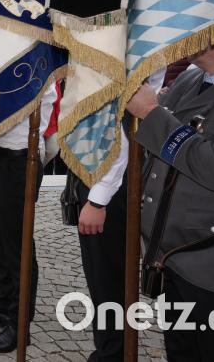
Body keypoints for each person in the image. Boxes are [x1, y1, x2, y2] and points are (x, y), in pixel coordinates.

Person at [125, 0, 214, 362]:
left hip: (209, 266)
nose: (185, 34)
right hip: (171, 255)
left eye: (197, 26)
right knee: (179, 352)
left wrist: (152, 113)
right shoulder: (193, 79)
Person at [0, 85, 57, 353]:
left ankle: (20, 325)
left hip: (22, 157)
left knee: (17, 246)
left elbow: (43, 101)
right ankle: (2, 303)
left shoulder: (35, 61)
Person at [72, 129, 129, 361]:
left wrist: (98, 200)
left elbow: (121, 133)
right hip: (93, 174)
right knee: (99, 278)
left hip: (110, 187)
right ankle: (107, 349)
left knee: (108, 281)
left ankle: (112, 353)